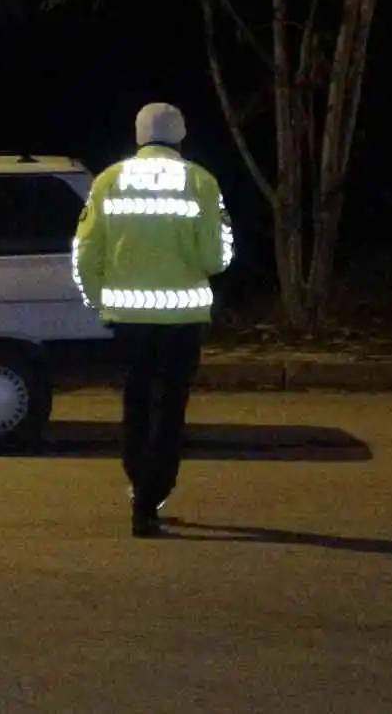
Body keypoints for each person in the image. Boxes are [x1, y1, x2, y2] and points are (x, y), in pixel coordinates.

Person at [73, 103, 234, 538]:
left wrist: (96, 298)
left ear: (139, 133)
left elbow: (85, 251)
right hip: (182, 317)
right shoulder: (201, 181)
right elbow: (216, 258)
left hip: (127, 316)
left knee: (136, 402)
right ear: (181, 134)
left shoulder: (109, 180)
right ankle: (151, 495)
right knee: (170, 408)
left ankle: (139, 483)